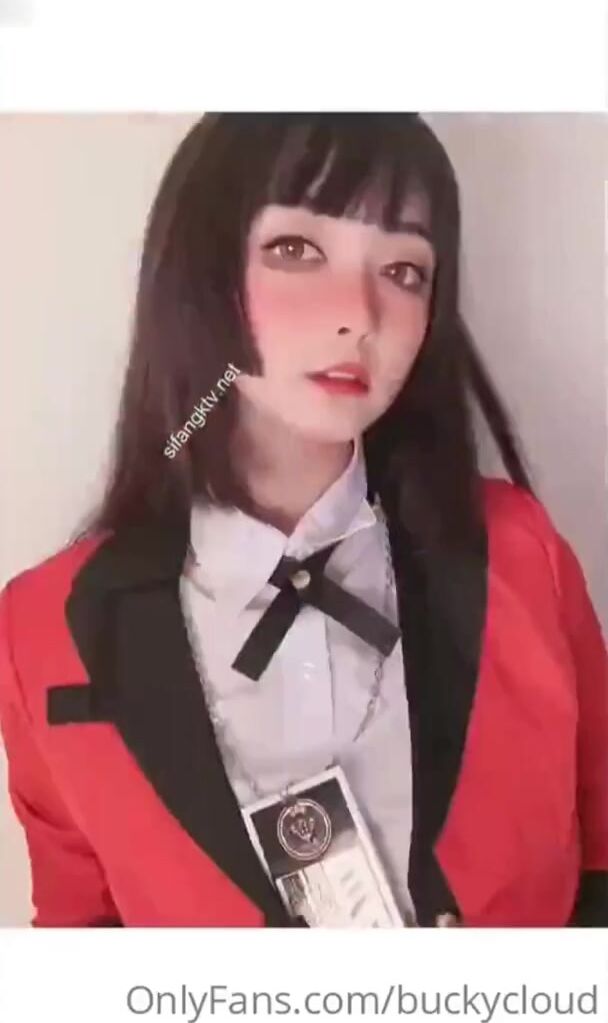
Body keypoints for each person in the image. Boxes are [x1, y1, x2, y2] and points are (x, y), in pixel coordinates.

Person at [0, 113, 606, 928]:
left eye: (404, 269)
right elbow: (81, 935)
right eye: (295, 249)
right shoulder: (43, 628)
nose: (359, 313)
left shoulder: (520, 552)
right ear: (199, 270)